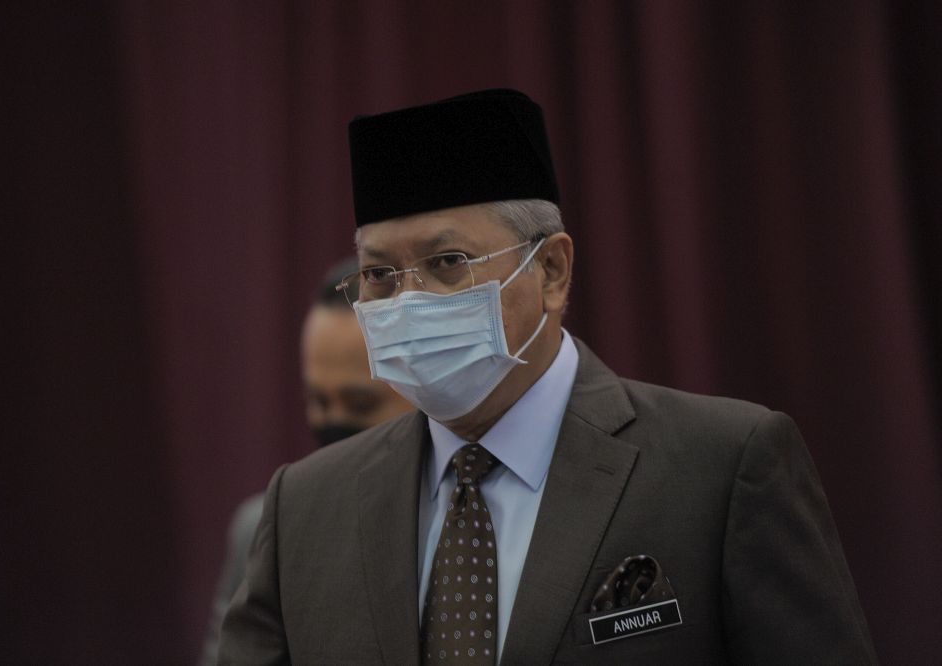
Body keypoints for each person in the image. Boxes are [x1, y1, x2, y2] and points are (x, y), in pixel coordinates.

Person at [218, 89, 877, 664]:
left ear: (553, 271)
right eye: (381, 274)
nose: (408, 300)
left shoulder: (721, 468)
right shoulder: (305, 508)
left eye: (448, 262)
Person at [199, 258, 411, 665]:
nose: (333, 422)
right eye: (318, 401)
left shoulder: (466, 525)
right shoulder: (262, 531)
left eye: (360, 403)